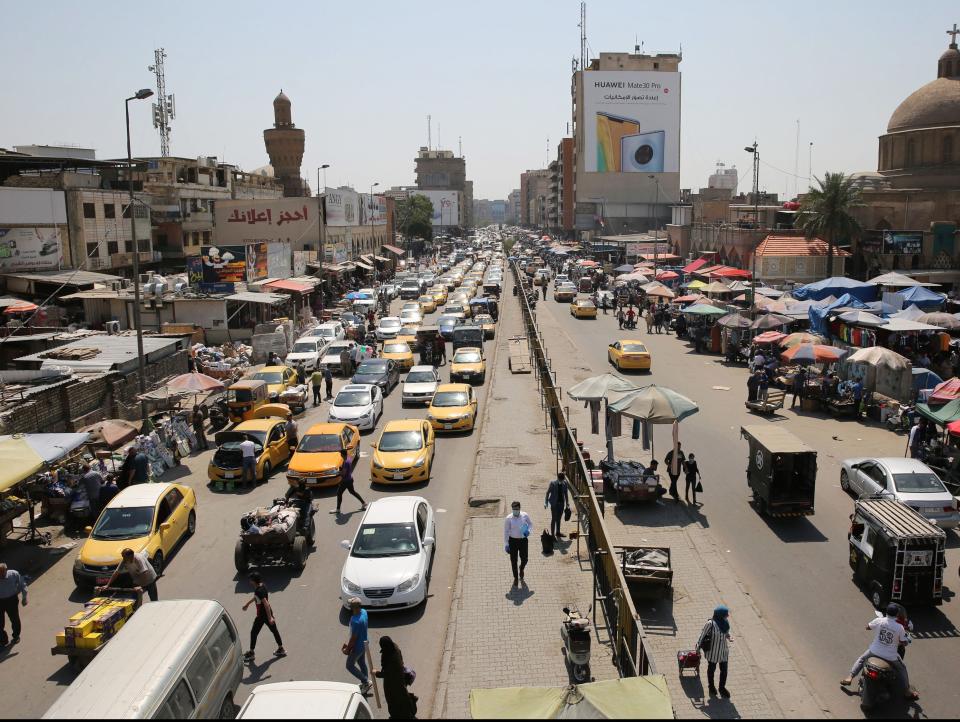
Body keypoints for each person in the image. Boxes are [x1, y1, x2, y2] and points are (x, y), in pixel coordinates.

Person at [841, 604, 917, 700]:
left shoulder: (879, 621)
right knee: (902, 669)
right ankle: (907, 691)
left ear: (887, 612)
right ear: (897, 614)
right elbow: (904, 643)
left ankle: (850, 677)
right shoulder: (900, 627)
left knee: (861, 659)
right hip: (890, 656)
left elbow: (867, 627)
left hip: (874, 651)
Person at [242, 572, 286, 660]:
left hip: (262, 616)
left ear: (254, 581)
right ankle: (281, 649)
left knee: (254, 633)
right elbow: (256, 597)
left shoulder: (258, 591)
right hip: (267, 613)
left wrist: (269, 618)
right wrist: (247, 604)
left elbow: (265, 603)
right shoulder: (262, 586)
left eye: (251, 580)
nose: (249, 581)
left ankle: (251, 653)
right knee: (274, 631)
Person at [375, 636, 418, 719]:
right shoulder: (395, 648)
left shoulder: (391, 659)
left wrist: (376, 673)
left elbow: (387, 673)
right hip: (400, 681)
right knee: (402, 699)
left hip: (393, 685)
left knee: (394, 701)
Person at [697, 605, 732, 698]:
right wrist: (697, 648)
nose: (727, 616)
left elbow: (726, 632)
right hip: (713, 652)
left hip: (723, 651)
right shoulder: (710, 623)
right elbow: (702, 635)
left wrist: (729, 637)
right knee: (712, 670)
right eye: (725, 614)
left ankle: (722, 688)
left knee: (724, 671)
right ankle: (711, 686)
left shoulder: (725, 621)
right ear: (720, 614)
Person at [343, 597, 372, 694]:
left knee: (349, 665)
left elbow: (353, 639)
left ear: (353, 608)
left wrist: (347, 649)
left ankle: (366, 682)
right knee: (361, 662)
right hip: (365, 643)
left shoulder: (355, 621)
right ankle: (365, 684)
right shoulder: (364, 612)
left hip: (357, 647)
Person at [503, 500, 532, 585]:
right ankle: (515, 577)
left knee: (525, 559)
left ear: (519, 508)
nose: (515, 510)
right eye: (513, 509)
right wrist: (506, 544)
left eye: (516, 508)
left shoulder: (525, 515)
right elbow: (506, 531)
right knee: (513, 560)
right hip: (513, 541)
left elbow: (530, 524)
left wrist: (528, 531)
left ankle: (521, 568)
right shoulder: (508, 518)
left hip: (523, 540)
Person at [0, 563, 27, 647]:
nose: (1, 575)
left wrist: (24, 597)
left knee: (14, 619)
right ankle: (3, 641)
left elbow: (23, 584)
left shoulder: (13, 574)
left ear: (6, 570)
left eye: (2, 573)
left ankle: (16, 636)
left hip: (12, 600)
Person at [335, 449, 366, 514]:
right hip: (350, 479)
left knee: (339, 493)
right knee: (352, 492)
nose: (340, 455)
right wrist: (341, 469)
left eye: (340, 454)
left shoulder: (346, 462)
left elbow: (343, 473)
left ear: (342, 455)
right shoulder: (348, 459)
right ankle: (363, 503)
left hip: (345, 481)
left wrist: (338, 472)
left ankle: (338, 509)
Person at [544, 471, 570, 539]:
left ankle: (558, 532)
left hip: (561, 504)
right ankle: (552, 536)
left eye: (562, 480)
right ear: (558, 478)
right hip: (554, 504)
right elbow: (547, 493)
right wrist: (546, 502)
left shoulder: (565, 483)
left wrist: (567, 503)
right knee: (554, 519)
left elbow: (566, 494)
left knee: (559, 518)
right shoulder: (553, 484)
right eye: (560, 480)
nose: (561, 481)